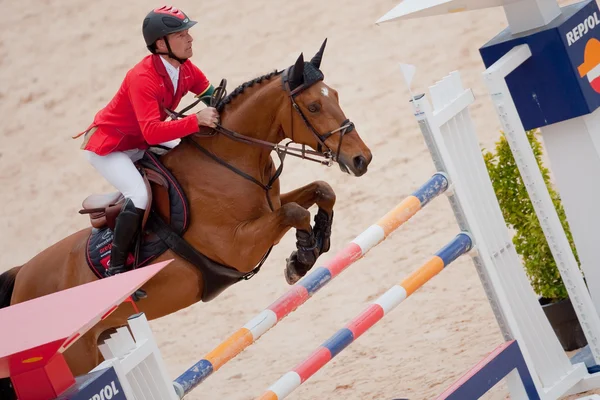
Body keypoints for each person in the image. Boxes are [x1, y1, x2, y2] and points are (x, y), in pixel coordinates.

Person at [75, 5, 219, 280]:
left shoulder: (185, 69)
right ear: (161, 43)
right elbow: (153, 133)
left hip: (140, 139)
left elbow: (213, 97)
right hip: (111, 147)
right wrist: (195, 121)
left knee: (191, 154)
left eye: (188, 32)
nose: (190, 39)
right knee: (139, 194)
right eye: (181, 34)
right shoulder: (143, 77)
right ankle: (115, 270)